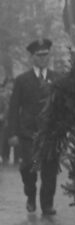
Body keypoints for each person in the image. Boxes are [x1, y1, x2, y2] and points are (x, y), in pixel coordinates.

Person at [7, 39, 58, 214]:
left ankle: (47, 204)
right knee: (31, 167)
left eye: (46, 55)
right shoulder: (22, 80)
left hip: (51, 134)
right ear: (32, 57)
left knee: (49, 170)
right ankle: (31, 194)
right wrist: (12, 133)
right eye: (39, 55)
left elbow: (63, 106)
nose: (43, 58)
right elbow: (14, 108)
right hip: (29, 135)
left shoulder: (56, 78)